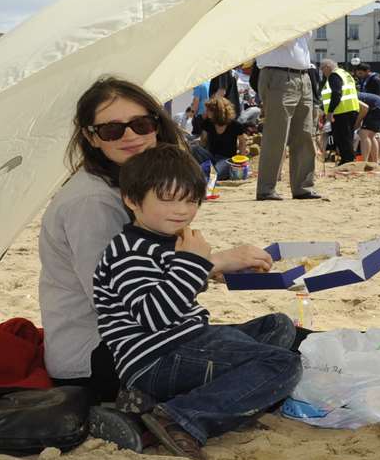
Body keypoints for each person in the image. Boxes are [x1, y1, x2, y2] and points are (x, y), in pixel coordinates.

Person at [39, 77, 274, 408]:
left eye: (141, 123)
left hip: (150, 336)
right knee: (278, 361)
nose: (131, 136)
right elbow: (122, 300)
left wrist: (204, 268)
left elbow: (150, 271)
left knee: (278, 334)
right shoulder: (93, 201)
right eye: (112, 130)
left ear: (157, 123)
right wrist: (208, 263)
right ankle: (179, 417)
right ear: (92, 137)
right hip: (107, 357)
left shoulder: (132, 180)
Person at [89, 146, 301, 460]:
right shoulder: (128, 252)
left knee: (277, 326)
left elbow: (173, 285)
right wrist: (194, 263)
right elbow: (155, 316)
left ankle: (170, 401)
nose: (182, 210)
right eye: (167, 199)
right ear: (132, 201)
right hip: (158, 357)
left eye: (190, 200)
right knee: (283, 364)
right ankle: (181, 418)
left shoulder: (161, 239)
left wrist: (213, 268)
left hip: (186, 341)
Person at [251, 34, 323, 201]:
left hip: (303, 76)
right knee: (276, 136)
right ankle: (266, 189)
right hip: (277, 75)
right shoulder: (274, 13)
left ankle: (303, 187)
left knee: (305, 134)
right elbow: (287, 35)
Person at [316, 58, 361, 164]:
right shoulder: (345, 73)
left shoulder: (334, 75)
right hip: (351, 109)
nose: (323, 73)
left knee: (342, 138)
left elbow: (336, 93)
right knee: (347, 137)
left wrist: (330, 112)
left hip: (342, 111)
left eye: (322, 69)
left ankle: (347, 161)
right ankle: (348, 160)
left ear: (327, 67)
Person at [194, 96, 250, 178]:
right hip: (211, 156)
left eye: (208, 110)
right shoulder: (207, 123)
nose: (206, 112)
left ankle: (205, 172)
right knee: (195, 149)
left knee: (216, 173)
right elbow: (203, 142)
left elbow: (242, 142)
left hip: (226, 159)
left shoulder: (235, 125)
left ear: (216, 111)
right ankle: (202, 170)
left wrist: (241, 160)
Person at [355, 91, 380, 163]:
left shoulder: (352, 97)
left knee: (364, 134)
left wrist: (358, 122)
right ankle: (375, 161)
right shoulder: (359, 95)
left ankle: (365, 161)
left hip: (377, 108)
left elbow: (365, 108)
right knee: (372, 135)